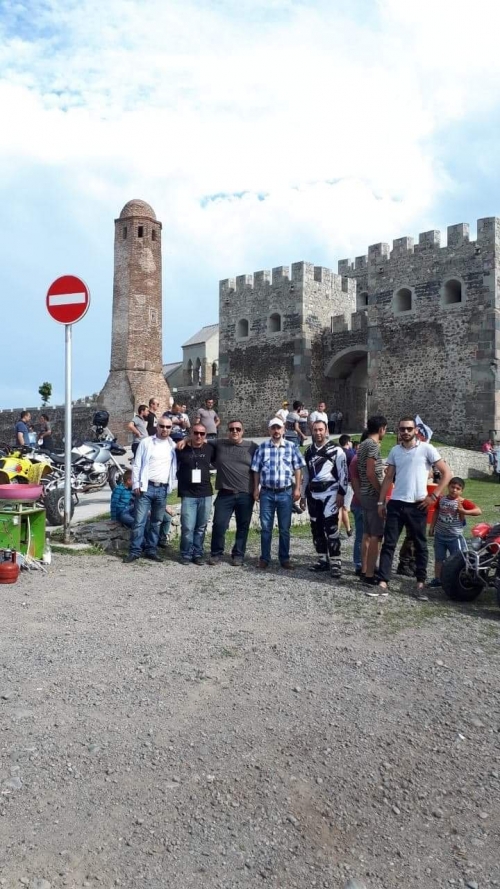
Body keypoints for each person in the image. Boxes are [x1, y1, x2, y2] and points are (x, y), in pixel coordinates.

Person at [377, 416, 452, 598]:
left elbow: (447, 473)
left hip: (418, 504)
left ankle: (420, 583)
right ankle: (383, 582)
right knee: (389, 544)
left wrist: (433, 496)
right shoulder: (395, 450)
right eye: (402, 429)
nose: (405, 432)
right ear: (399, 430)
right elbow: (389, 477)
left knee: (420, 545)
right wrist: (381, 501)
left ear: (416, 430)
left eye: (409, 429)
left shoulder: (426, 449)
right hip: (397, 503)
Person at [251, 417, 305, 569]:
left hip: (285, 493)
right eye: (273, 428)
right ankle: (264, 558)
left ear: (283, 429)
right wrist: (256, 488)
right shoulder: (262, 448)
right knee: (265, 528)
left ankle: (284, 558)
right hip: (267, 493)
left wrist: (297, 488)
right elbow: (256, 470)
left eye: (278, 428)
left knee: (284, 529)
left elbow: (298, 468)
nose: (276, 431)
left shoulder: (291, 447)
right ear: (269, 430)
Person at [125, 416, 177, 563]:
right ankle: (135, 551)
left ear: (171, 428)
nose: (165, 429)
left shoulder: (172, 445)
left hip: (162, 488)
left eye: (168, 427)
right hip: (146, 487)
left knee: (156, 522)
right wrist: (136, 484)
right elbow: (137, 464)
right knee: (139, 521)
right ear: (157, 426)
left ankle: (151, 550)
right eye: (162, 426)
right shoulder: (146, 442)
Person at [300, 420, 348, 578]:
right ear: (312, 431)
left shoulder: (337, 450)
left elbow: (344, 474)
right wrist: (303, 495)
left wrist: (341, 493)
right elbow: (306, 476)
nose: (318, 432)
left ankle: (335, 562)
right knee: (316, 528)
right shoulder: (308, 451)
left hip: (330, 493)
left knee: (331, 528)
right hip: (313, 495)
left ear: (326, 430)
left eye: (321, 429)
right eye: (315, 430)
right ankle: (322, 560)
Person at [208, 420, 258, 566]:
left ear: (243, 431)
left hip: (245, 494)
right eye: (231, 429)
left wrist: (257, 488)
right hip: (225, 493)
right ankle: (216, 553)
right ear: (227, 431)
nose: (234, 431)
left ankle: (238, 554)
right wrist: (185, 439)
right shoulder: (219, 444)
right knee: (219, 524)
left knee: (243, 526)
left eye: (237, 429)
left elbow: (260, 467)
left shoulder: (253, 446)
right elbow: (199, 439)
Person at [428, 477, 481, 587]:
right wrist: (432, 527)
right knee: (439, 559)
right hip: (440, 535)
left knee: (457, 560)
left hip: (455, 537)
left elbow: (478, 511)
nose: (454, 490)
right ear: (448, 487)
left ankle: (454, 581)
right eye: (452, 487)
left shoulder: (461, 501)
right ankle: (438, 579)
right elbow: (436, 512)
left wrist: (464, 511)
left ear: (461, 491)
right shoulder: (441, 499)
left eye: (458, 488)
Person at [177, 423, 215, 565]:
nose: (199, 436)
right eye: (196, 433)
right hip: (188, 494)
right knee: (187, 527)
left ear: (205, 435)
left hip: (205, 493)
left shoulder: (210, 448)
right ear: (191, 433)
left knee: (201, 527)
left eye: (202, 433)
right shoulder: (181, 448)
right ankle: (186, 554)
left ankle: (197, 553)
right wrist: (185, 440)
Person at [356, 415, 388, 588]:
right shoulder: (373, 446)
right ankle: (369, 574)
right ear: (382, 428)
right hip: (372, 494)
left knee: (367, 534)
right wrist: (381, 491)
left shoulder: (363, 444)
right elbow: (370, 472)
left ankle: (364, 570)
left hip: (364, 493)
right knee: (376, 536)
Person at [348, 432, 367, 576]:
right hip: (361, 503)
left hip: (363, 503)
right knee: (362, 536)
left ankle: (364, 564)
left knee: (366, 536)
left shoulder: (361, 457)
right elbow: (355, 484)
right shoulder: (359, 459)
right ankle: (360, 564)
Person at [338, 434, 356, 537]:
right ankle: (345, 530)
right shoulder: (350, 454)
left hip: (338, 482)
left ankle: (346, 529)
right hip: (348, 483)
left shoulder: (337, 453)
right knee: (344, 508)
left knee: (340, 508)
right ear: (348, 442)